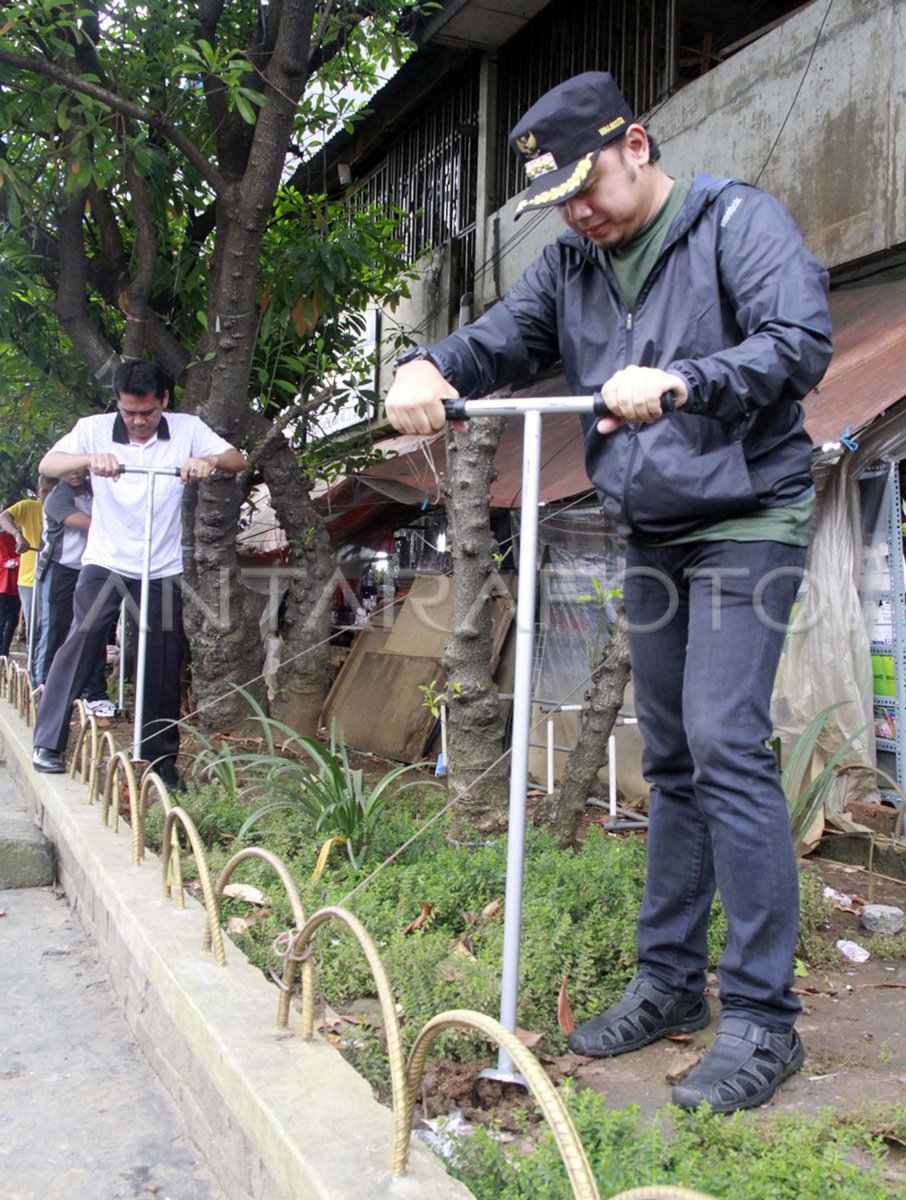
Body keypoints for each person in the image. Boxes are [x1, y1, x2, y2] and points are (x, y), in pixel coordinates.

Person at [385, 72, 833, 1114]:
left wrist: (685, 378)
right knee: (669, 758)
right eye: (561, 201)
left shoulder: (735, 223)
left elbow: (797, 344)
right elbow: (492, 344)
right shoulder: (572, 269)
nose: (579, 211)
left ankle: (765, 1020)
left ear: (637, 143)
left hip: (746, 517)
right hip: (651, 528)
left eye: (588, 184)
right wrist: (424, 364)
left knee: (724, 742)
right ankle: (671, 985)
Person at [31, 360, 246, 790]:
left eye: (147, 412)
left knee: (163, 661)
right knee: (82, 642)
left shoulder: (186, 428)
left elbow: (236, 459)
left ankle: (160, 763)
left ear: (164, 401)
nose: (139, 421)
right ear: (117, 404)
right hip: (106, 559)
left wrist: (205, 462)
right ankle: (49, 741)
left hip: (161, 565)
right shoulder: (93, 428)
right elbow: (48, 464)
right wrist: (91, 458)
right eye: (129, 412)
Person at [33, 469, 112, 717]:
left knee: (93, 629)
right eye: (70, 470)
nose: (76, 474)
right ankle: (42, 688)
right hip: (60, 569)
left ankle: (94, 694)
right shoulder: (57, 498)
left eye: (80, 469)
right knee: (55, 628)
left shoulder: (96, 490)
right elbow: (87, 523)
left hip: (91, 568)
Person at [0, 477, 55, 667]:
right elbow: (4, 517)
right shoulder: (29, 507)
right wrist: (17, 535)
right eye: (44, 491)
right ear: (38, 491)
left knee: (54, 628)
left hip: (60, 578)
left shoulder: (67, 508)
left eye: (53, 491)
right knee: (35, 628)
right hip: (30, 578)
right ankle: (36, 671)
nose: (48, 496)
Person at [0, 530, 20, 658]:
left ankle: (4, 651)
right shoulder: (3, 539)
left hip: (16, 583)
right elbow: (6, 562)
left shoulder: (15, 538)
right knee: (3, 620)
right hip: (4, 584)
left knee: (13, 618)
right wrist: (23, 559)